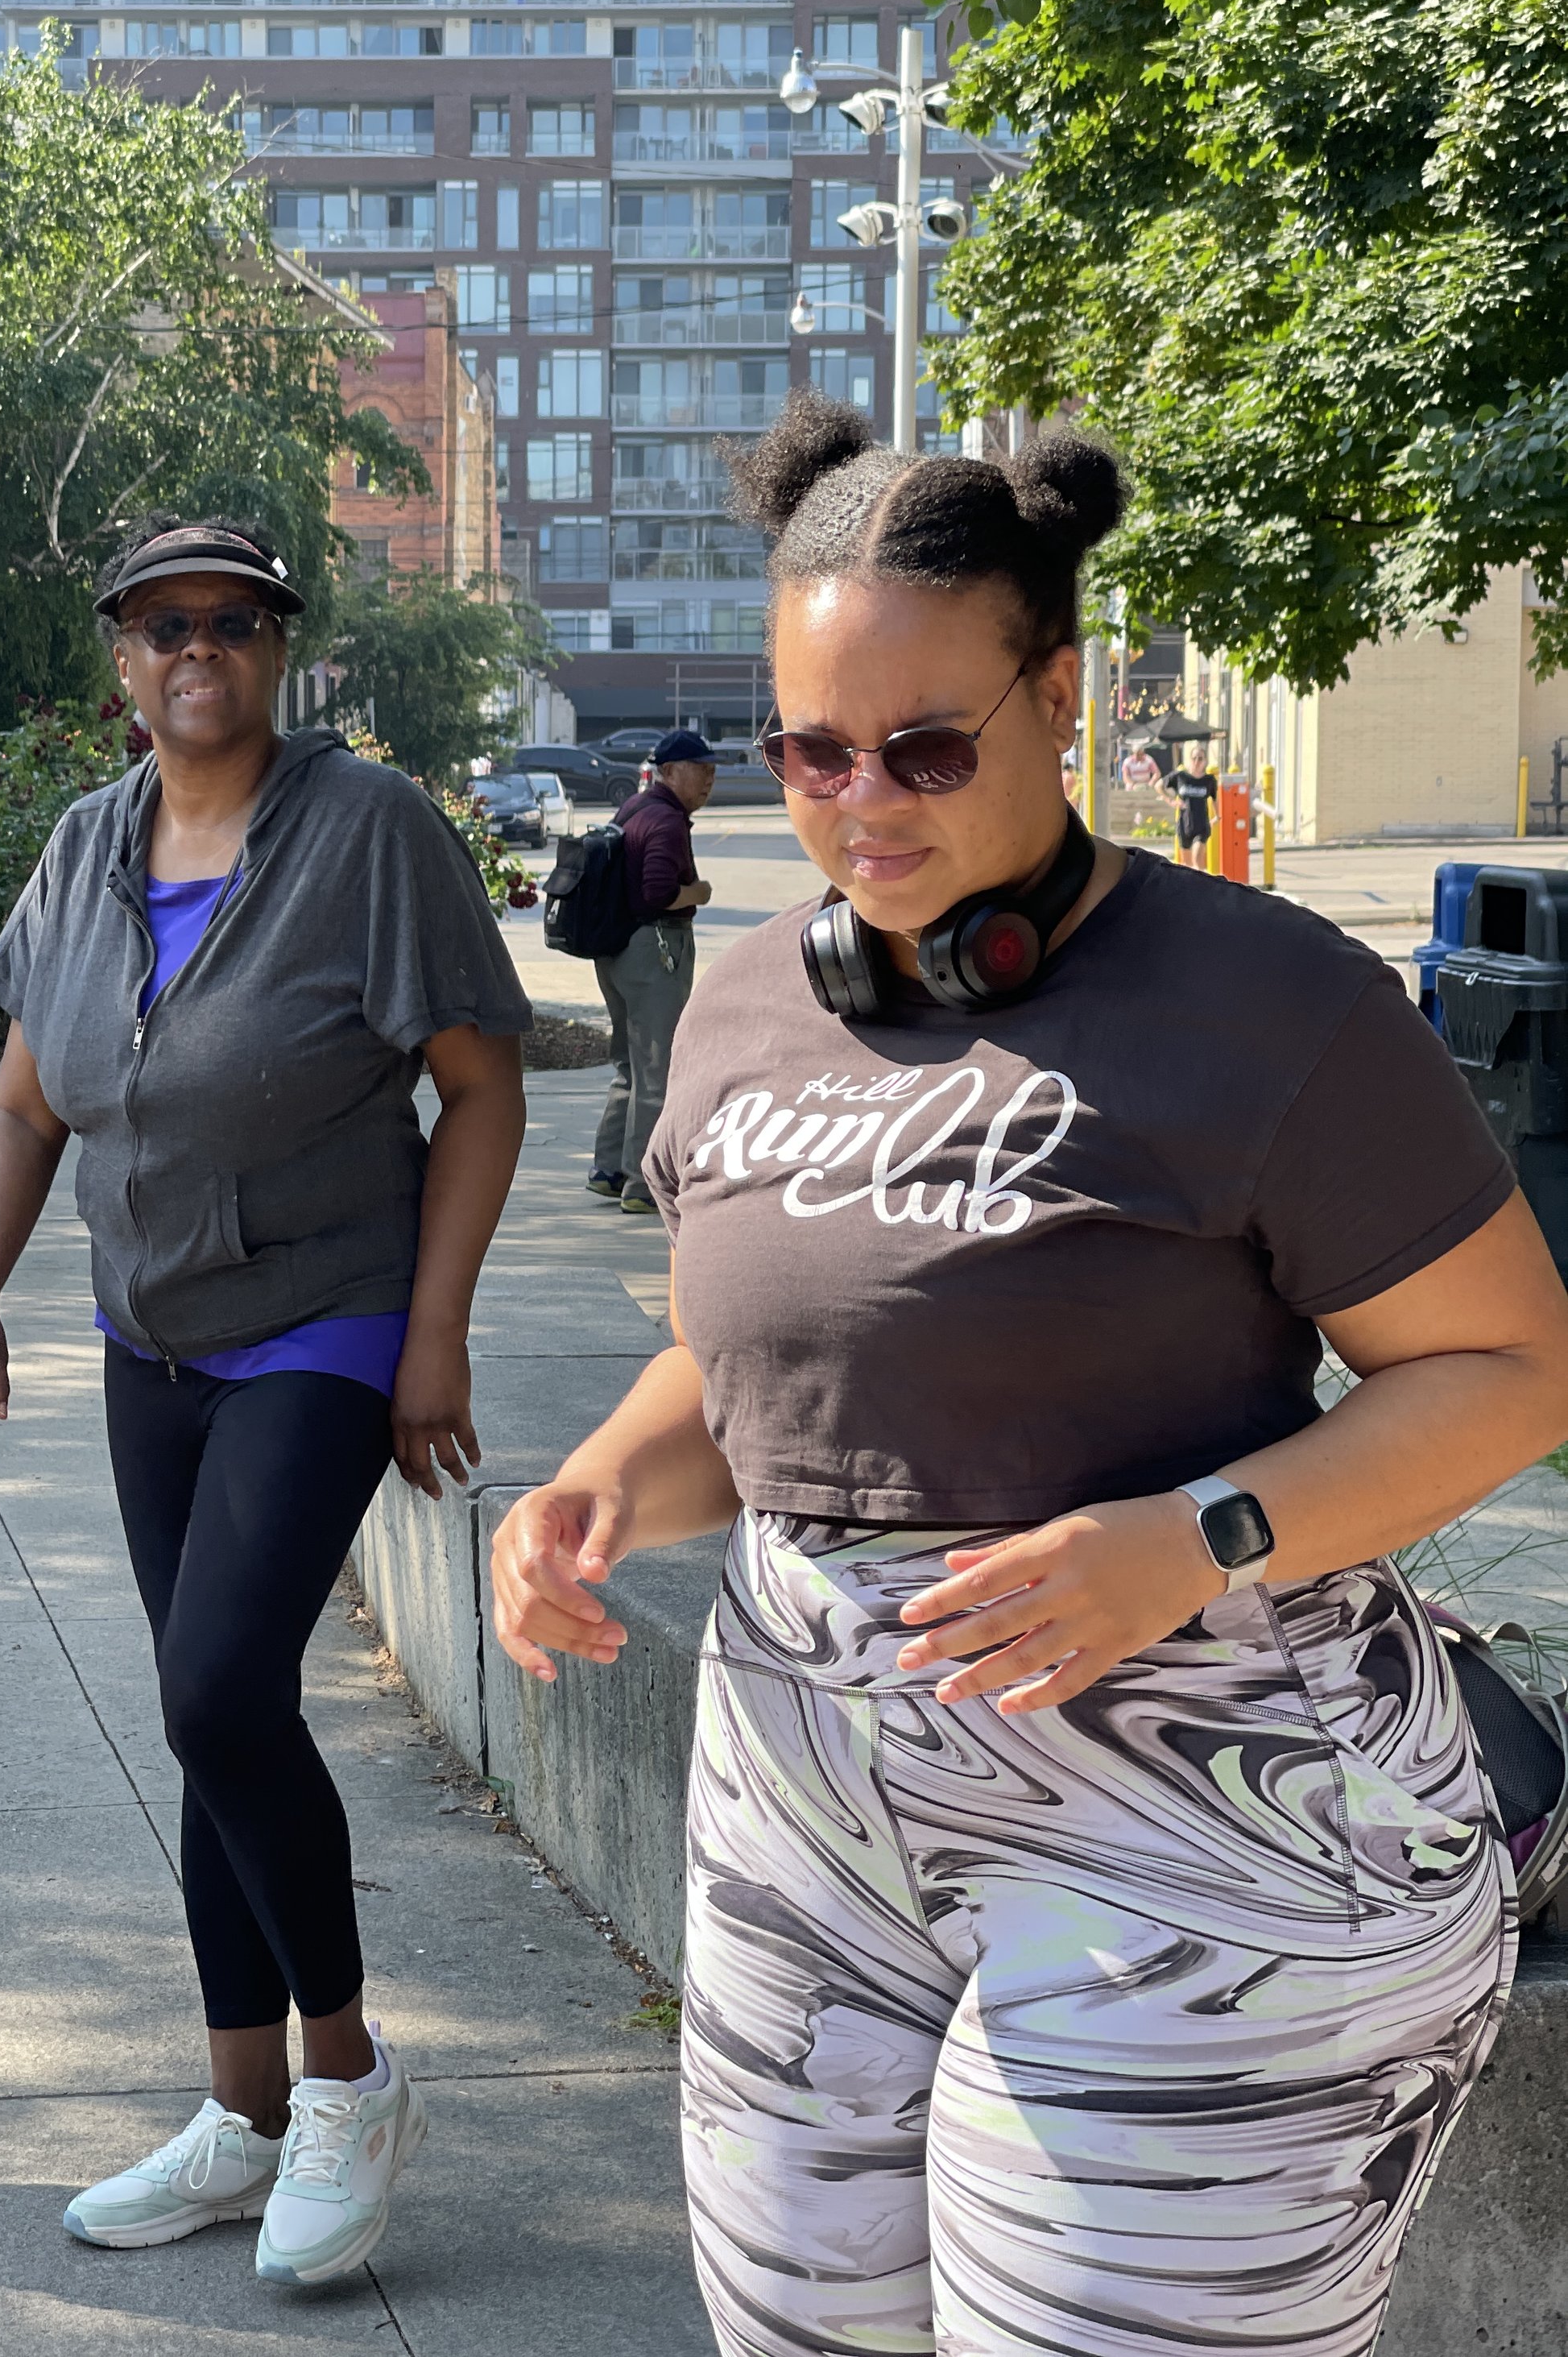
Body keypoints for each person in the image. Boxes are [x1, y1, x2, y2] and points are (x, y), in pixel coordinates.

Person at [490, 395, 1568, 2357]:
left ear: (1057, 693)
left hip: (1205, 1824)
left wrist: (1201, 1533)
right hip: (809, 1820)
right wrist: (600, 1490)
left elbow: (1509, 1370)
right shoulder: (743, 1006)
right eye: (807, 751)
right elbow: (751, 1376)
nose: (859, 803)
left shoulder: (1272, 1004)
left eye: (922, 745)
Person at [0, 520, 530, 2284]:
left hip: (328, 1319)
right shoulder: (88, 845)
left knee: (210, 1686)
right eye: (163, 623)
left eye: (235, 622)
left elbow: (479, 1092)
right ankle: (242, 2112)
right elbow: (22, 1106)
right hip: (153, 1339)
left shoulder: (370, 833)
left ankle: (348, 2083)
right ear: (119, 657)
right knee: (217, 1717)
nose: (199, 648)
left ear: (280, 650)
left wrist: (437, 1330)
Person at [586, 725, 716, 1216]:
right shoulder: (665, 821)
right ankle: (642, 1185)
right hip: (654, 948)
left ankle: (608, 1170)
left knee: (629, 1065)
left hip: (617, 952)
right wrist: (698, 893)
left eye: (712, 771)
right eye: (699, 770)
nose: (708, 780)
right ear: (668, 772)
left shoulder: (635, 809)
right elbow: (658, 891)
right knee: (657, 1069)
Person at [1172, 737, 1218, 865]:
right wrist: (1171, 801)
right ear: (1190, 760)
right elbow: (1159, 785)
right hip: (1184, 824)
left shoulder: (1209, 780)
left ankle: (1200, 884)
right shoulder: (1181, 776)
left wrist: (1217, 816)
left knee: (1197, 859)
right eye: (1194, 758)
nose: (1197, 761)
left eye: (1200, 758)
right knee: (1186, 866)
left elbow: (1215, 798)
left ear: (1205, 761)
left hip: (1201, 825)